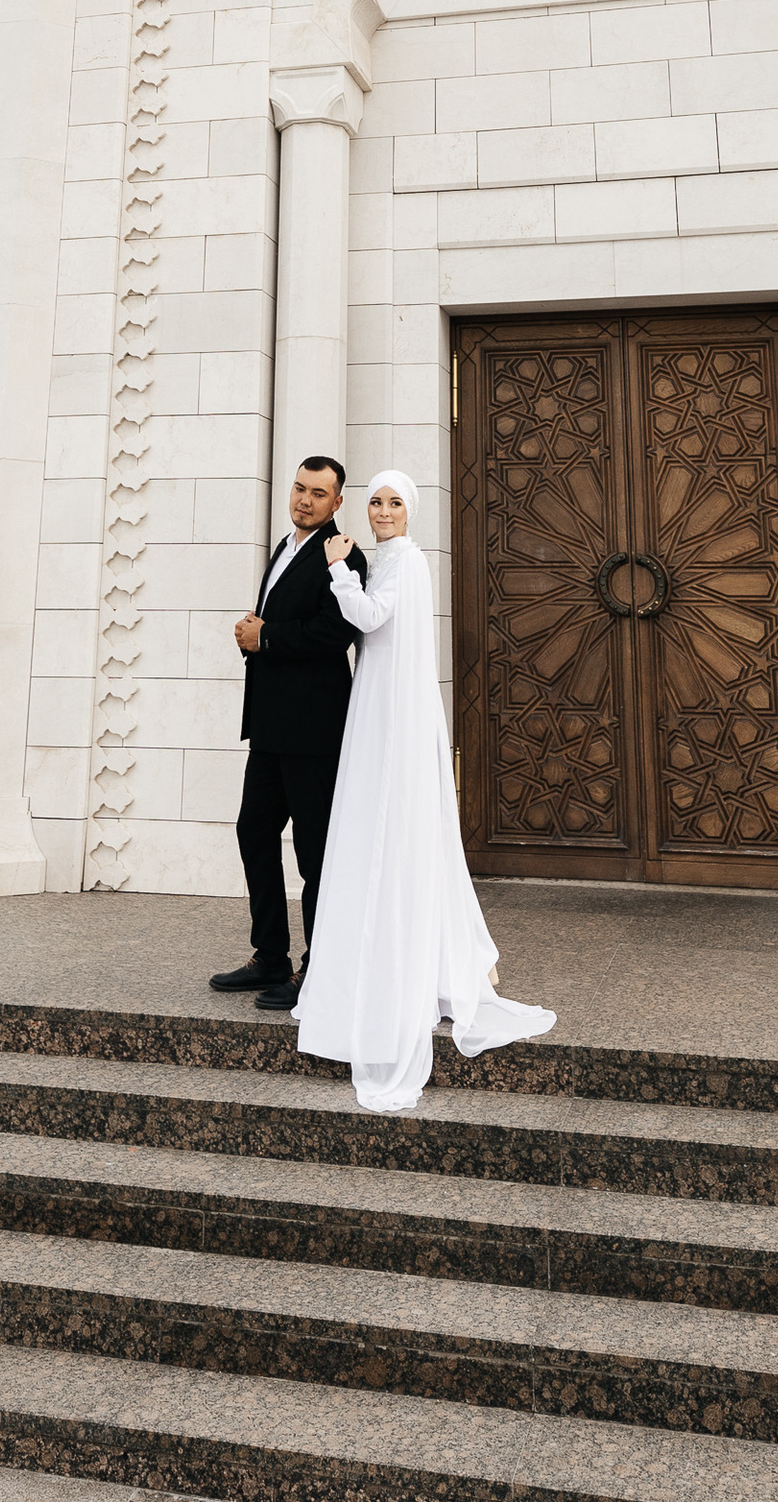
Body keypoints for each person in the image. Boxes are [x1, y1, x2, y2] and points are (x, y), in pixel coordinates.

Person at [295, 470, 556, 1112]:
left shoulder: (401, 563)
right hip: (384, 706)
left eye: (393, 504)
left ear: (410, 513)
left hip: (390, 716)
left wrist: (337, 569)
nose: (382, 512)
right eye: (376, 502)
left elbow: (369, 617)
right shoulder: (394, 560)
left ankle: (398, 972)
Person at [215, 456, 367, 1014]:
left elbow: (337, 630)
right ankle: (270, 956)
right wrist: (250, 633)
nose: (305, 500)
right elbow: (274, 621)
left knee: (314, 855)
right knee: (253, 831)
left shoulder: (344, 554)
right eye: (300, 488)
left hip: (315, 729)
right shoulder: (285, 546)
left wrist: (268, 638)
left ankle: (319, 967)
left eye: (319, 493)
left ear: (337, 502)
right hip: (272, 728)